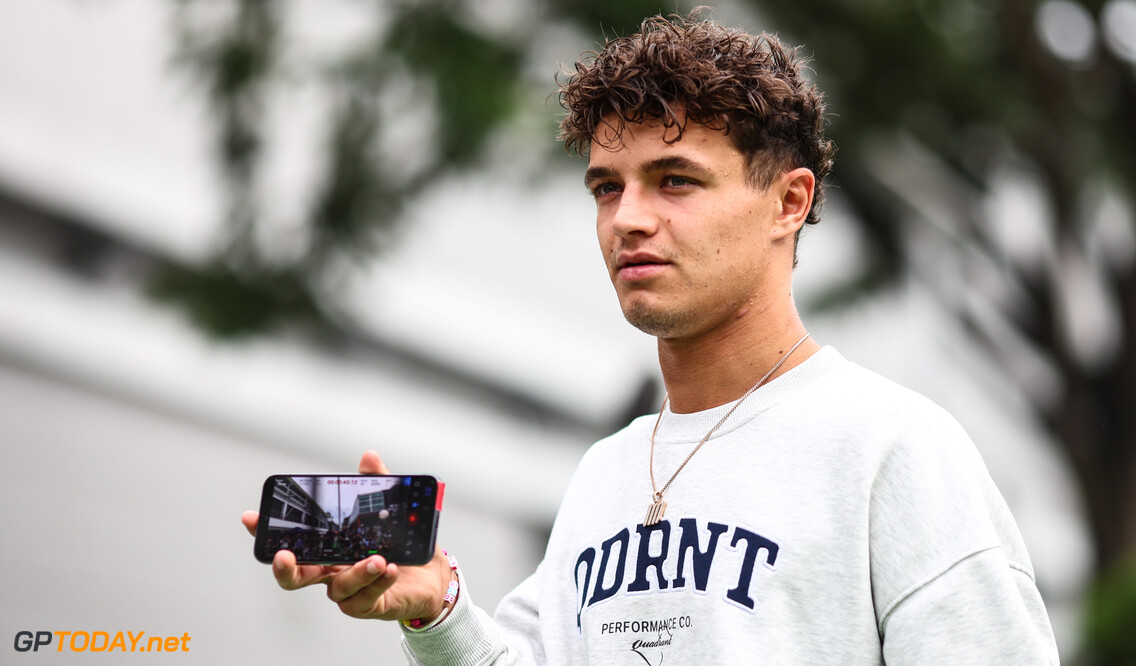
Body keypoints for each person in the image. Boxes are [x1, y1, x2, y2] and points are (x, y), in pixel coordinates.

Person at [242, 12, 1059, 665]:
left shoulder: (894, 448)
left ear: (788, 203)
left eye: (675, 180)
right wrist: (437, 611)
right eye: (607, 187)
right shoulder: (607, 472)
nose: (628, 218)